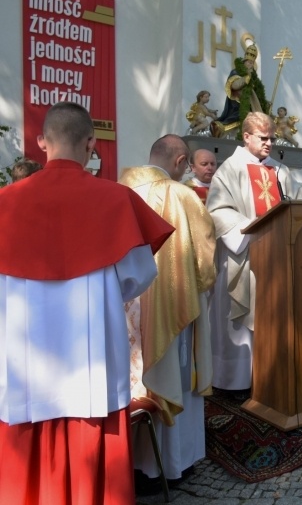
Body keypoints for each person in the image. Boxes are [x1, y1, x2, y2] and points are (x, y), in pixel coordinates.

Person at [0, 102, 173, 504]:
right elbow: (139, 276)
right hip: (91, 367)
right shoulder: (115, 200)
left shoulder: (6, 204)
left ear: (42, 142)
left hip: (24, 363)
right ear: (92, 143)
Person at [119, 135, 217, 485]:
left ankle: (134, 463)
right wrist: (202, 284)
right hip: (173, 305)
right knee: (174, 374)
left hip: (124, 306)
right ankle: (173, 463)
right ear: (180, 161)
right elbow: (205, 257)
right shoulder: (182, 196)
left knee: (131, 376)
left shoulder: (121, 189)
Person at [206, 112, 291, 389]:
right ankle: (235, 381)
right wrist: (251, 228)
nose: (269, 143)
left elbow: (297, 203)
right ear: (246, 137)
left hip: (276, 258)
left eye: (272, 138)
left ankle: (269, 377)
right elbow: (217, 211)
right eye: (263, 138)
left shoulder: (280, 170)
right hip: (244, 256)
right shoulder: (229, 170)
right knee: (240, 324)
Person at [213, 43, 267, 136]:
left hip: (250, 104)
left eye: (252, 63)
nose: (250, 64)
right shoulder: (236, 72)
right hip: (237, 104)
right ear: (244, 61)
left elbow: (257, 93)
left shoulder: (254, 78)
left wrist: (264, 103)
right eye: (249, 62)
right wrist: (246, 77)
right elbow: (234, 85)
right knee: (238, 117)